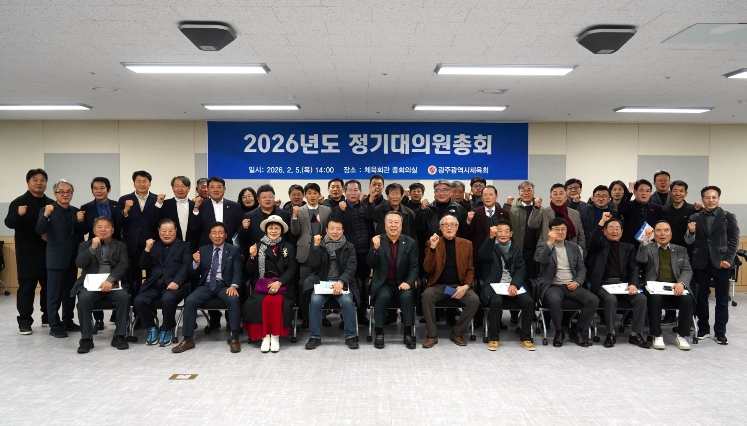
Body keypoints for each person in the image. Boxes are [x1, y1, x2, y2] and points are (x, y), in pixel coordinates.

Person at [173, 222, 243, 354]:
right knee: (190, 300)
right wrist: (195, 262)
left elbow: (237, 271)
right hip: (206, 285)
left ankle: (234, 338)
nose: (217, 236)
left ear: (226, 235)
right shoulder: (203, 250)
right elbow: (193, 273)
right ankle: (188, 339)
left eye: (220, 233)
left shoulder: (233, 250)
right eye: (214, 233)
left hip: (224, 285)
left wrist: (234, 286)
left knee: (233, 299)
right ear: (210, 236)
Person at [586, 214, 651, 348]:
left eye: (617, 228)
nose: (614, 231)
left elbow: (634, 268)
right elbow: (593, 240)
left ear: (622, 231)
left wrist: (633, 284)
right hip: (603, 284)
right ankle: (611, 333)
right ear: (604, 231)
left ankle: (636, 334)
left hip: (623, 284)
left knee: (641, 298)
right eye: (611, 228)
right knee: (610, 299)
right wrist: (602, 222)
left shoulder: (629, 248)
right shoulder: (599, 245)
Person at [685, 186, 740, 345]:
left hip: (722, 263)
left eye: (714, 197)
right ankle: (703, 329)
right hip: (700, 263)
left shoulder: (728, 217)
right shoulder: (694, 217)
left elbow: (734, 240)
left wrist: (729, 259)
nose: (710, 200)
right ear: (702, 199)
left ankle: (720, 331)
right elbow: (688, 241)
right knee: (701, 298)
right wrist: (691, 232)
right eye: (707, 197)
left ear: (718, 199)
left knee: (721, 299)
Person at [191, 176, 245, 331]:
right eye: (212, 187)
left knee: (229, 282)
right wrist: (195, 209)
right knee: (210, 281)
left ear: (224, 189)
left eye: (219, 187)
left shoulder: (234, 206)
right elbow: (194, 228)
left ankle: (231, 321)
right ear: (207, 189)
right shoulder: (201, 205)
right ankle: (214, 320)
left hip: (230, 250)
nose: (215, 190)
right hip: (207, 249)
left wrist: (240, 250)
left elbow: (239, 231)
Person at [36, 179, 87, 338]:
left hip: (73, 258)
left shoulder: (75, 211)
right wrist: (46, 215)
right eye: (61, 192)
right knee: (54, 294)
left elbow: (83, 232)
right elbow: (39, 230)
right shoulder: (47, 209)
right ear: (55, 194)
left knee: (70, 292)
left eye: (69, 192)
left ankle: (68, 320)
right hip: (56, 259)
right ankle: (54, 325)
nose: (65, 194)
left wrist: (81, 221)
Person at [72, 216, 131, 353]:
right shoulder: (84, 245)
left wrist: (110, 280)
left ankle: (119, 336)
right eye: (99, 227)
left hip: (113, 284)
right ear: (94, 230)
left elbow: (123, 265)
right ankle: (86, 339)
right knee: (84, 299)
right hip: (91, 285)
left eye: (106, 227)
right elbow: (80, 263)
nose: (103, 230)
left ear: (112, 230)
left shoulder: (120, 245)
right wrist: (92, 248)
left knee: (124, 297)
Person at [535, 217, 597, 347]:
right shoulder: (542, 246)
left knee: (593, 300)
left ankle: (577, 330)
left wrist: (577, 282)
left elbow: (581, 268)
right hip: (552, 285)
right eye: (556, 229)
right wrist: (550, 243)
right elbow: (543, 260)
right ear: (550, 231)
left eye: (563, 229)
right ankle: (559, 331)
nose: (560, 232)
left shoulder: (574, 247)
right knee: (554, 300)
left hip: (571, 284)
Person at [5, 169, 53, 334]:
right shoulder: (19, 202)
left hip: (48, 251)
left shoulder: (51, 203)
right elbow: (9, 223)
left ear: (46, 183)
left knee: (49, 287)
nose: (39, 183)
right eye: (35, 180)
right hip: (27, 252)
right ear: (28, 183)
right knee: (27, 288)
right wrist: (18, 214)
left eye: (42, 180)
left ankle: (48, 317)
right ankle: (25, 322)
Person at [421, 215, 480, 348]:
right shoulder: (432, 243)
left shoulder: (466, 244)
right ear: (440, 228)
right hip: (439, 286)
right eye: (445, 225)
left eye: (452, 225)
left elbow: (470, 270)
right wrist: (433, 248)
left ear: (457, 227)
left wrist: (465, 286)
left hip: (458, 286)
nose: (449, 227)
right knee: (427, 296)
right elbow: (427, 268)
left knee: (474, 300)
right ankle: (432, 335)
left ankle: (457, 333)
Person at [478, 220, 535, 351]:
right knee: (496, 302)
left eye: (506, 231)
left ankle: (525, 338)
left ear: (511, 234)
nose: (503, 234)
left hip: (512, 285)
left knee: (528, 302)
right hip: (494, 285)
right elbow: (483, 254)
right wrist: (490, 238)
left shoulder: (515, 249)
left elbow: (521, 269)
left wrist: (514, 284)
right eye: (500, 231)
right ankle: (493, 338)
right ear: (495, 232)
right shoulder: (490, 246)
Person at [637, 221, 694, 350]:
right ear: (654, 233)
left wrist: (681, 283)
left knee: (687, 299)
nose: (662, 234)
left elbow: (687, 270)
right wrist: (645, 240)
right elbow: (640, 259)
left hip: (675, 287)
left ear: (671, 234)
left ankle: (681, 336)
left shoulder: (681, 250)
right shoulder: (649, 248)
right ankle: (657, 335)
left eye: (666, 230)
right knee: (655, 299)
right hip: (655, 288)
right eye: (658, 230)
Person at [244, 216, 298, 353]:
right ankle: (265, 337)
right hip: (262, 285)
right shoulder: (258, 245)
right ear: (266, 230)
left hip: (283, 285)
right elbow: (250, 270)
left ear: (281, 231)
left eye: (276, 228)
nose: (273, 231)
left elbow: (292, 269)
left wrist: (279, 282)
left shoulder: (288, 247)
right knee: (264, 301)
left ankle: (275, 336)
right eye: (271, 228)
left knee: (276, 301)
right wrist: (252, 257)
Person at [304, 218, 360, 349]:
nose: (335, 232)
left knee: (347, 302)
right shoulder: (320, 245)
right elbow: (313, 264)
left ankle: (351, 336)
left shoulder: (349, 246)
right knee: (315, 301)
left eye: (338, 229)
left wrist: (341, 281)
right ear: (326, 230)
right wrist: (316, 246)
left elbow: (351, 268)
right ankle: (314, 337)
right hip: (322, 283)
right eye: (332, 229)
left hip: (342, 283)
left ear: (343, 230)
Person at [134, 219, 191, 347]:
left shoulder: (184, 246)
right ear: (159, 231)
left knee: (168, 299)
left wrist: (177, 282)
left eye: (170, 231)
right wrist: (147, 249)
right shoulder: (154, 246)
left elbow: (186, 266)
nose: (167, 234)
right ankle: (151, 327)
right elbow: (143, 265)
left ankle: (166, 329)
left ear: (176, 231)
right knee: (139, 300)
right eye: (164, 231)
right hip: (153, 284)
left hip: (173, 285)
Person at [367, 211, 419, 349]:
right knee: (383, 296)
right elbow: (370, 264)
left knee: (407, 297)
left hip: (402, 283)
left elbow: (414, 266)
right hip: (383, 283)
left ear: (401, 225)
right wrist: (375, 248)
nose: (393, 225)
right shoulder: (378, 240)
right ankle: (379, 333)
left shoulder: (410, 242)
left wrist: (409, 282)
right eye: (390, 222)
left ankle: (408, 333)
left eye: (397, 222)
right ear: (385, 225)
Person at [80, 176, 121, 331]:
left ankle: (117, 316)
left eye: (102, 188)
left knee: (116, 278)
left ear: (108, 190)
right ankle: (98, 319)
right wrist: (80, 221)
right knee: (95, 278)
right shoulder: (85, 208)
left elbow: (121, 225)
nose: (98, 191)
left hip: (115, 247)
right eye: (95, 188)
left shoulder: (117, 205)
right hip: (95, 247)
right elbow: (84, 230)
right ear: (92, 191)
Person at [332, 179, 374, 326]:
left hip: (364, 254)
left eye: (356, 190)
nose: (353, 193)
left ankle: (361, 314)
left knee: (363, 286)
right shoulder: (339, 208)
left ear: (360, 192)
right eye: (349, 190)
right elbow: (334, 227)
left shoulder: (366, 208)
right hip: (347, 254)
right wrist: (341, 210)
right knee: (348, 285)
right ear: (345, 192)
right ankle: (346, 317)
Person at [660, 180, 702, 326]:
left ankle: (689, 319)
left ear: (686, 193)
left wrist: (700, 209)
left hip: (688, 252)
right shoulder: (664, 210)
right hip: (667, 251)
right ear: (670, 193)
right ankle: (670, 315)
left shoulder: (693, 210)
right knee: (668, 281)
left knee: (689, 284)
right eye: (675, 190)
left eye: (681, 191)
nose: (678, 193)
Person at [116, 170, 164, 294]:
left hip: (152, 243)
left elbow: (160, 222)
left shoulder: (157, 199)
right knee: (133, 278)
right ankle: (134, 303)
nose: (141, 184)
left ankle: (150, 304)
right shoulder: (124, 199)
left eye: (145, 181)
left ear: (150, 183)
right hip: (132, 244)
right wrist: (126, 210)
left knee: (153, 276)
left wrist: (159, 205)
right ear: (134, 184)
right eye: (138, 181)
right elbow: (118, 224)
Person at [291, 183, 331, 323]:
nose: (312, 196)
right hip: (305, 253)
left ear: (319, 195)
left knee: (322, 284)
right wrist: (294, 217)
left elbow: (329, 231)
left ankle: (322, 316)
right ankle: (306, 317)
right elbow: (295, 232)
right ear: (305, 195)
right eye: (309, 193)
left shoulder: (326, 210)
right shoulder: (299, 210)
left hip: (322, 252)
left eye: (315, 193)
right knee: (305, 285)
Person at [464, 185, 510, 280]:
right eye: (485, 195)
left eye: (491, 194)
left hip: (499, 254)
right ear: (482, 197)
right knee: (480, 282)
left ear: (496, 196)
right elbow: (467, 234)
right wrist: (468, 221)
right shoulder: (474, 212)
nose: (488, 197)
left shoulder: (504, 213)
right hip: (480, 255)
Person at [527, 183, 586, 254]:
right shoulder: (544, 211)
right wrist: (536, 207)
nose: (558, 196)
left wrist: (582, 252)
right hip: (547, 252)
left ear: (566, 196)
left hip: (569, 252)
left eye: (561, 194)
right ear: (551, 197)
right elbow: (532, 225)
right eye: (555, 194)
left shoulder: (575, 213)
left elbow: (580, 235)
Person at [158, 176, 199, 252]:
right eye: (177, 186)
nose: (180, 189)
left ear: (189, 189)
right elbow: (155, 223)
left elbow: (198, 228)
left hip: (191, 248)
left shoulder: (195, 205)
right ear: (172, 188)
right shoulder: (165, 205)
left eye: (183, 186)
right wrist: (158, 204)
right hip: (170, 248)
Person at [617, 179, 663, 247]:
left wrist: (654, 240)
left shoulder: (657, 208)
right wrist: (629, 190)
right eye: (641, 190)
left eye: (647, 191)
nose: (644, 193)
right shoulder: (629, 205)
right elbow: (621, 209)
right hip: (630, 244)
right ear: (634, 192)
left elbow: (660, 225)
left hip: (650, 244)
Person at [565, 178, 594, 250]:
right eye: (570, 188)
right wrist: (574, 203)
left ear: (581, 190)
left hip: (583, 241)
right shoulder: (561, 206)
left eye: (576, 188)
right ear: (566, 190)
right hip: (566, 241)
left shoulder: (587, 207)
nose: (573, 190)